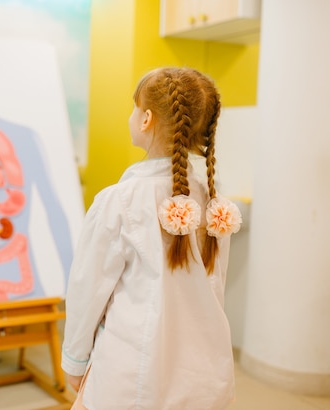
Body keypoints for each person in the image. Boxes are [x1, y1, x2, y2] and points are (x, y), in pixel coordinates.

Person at [61, 67, 242, 410]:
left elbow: (88, 290)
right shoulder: (216, 204)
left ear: (145, 119)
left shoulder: (119, 201)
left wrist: (74, 360)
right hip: (201, 372)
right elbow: (213, 288)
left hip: (131, 371)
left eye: (134, 107)